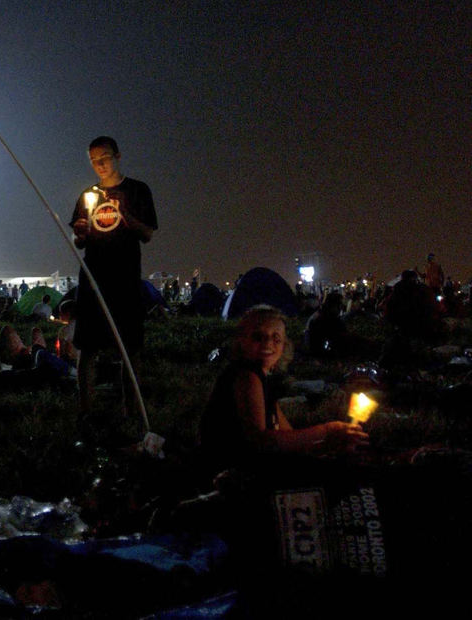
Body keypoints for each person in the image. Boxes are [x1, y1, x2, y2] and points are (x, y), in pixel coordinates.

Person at [198, 305, 367, 472]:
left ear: (284, 344)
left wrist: (329, 446)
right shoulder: (246, 377)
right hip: (229, 471)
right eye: (258, 337)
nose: (268, 343)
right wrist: (327, 431)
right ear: (241, 341)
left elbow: (289, 437)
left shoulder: (262, 380)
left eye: (276, 338)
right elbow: (262, 441)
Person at [70, 136, 157, 412]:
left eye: (105, 157)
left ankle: (131, 410)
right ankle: (86, 410)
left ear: (118, 156)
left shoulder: (137, 190)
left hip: (125, 276)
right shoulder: (87, 195)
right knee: (87, 346)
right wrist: (80, 233)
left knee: (130, 347)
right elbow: (80, 241)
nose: (100, 165)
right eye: (94, 160)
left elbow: (148, 234)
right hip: (94, 277)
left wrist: (125, 214)